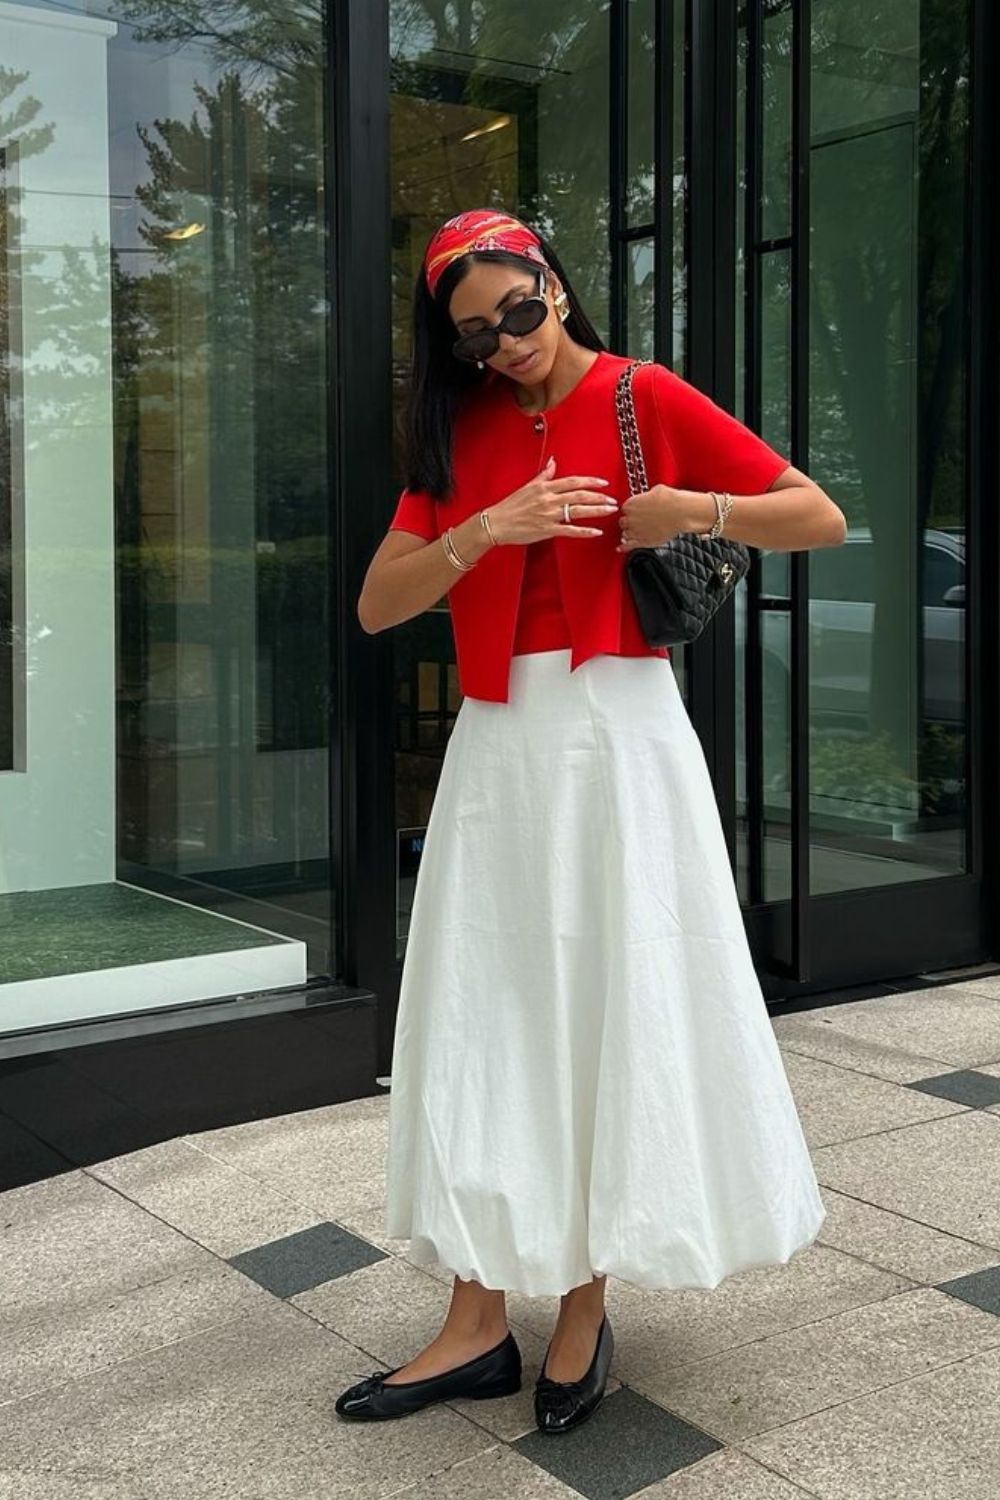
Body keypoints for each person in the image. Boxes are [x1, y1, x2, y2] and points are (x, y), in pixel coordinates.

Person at [337, 208, 846, 1433]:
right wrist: (479, 530)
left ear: (556, 288)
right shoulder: (454, 432)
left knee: (603, 1001)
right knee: (483, 1007)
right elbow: (375, 605)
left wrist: (691, 512)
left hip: (617, 738)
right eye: (474, 335)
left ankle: (579, 1304)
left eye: (521, 310)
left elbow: (816, 514)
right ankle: (472, 1322)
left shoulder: (642, 393)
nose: (506, 343)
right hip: (499, 748)